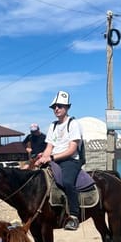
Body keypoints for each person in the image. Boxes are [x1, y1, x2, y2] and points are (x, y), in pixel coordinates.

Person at [34, 91, 83, 231]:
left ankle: (74, 215)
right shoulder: (53, 126)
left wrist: (52, 157)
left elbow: (72, 149)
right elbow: (49, 147)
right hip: (53, 160)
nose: (56, 109)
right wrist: (43, 158)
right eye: (54, 106)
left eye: (60, 106)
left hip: (70, 161)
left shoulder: (73, 124)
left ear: (67, 107)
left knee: (67, 182)